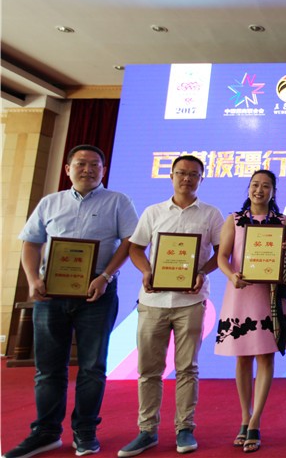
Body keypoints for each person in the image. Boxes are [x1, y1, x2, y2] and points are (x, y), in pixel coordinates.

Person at [3, 145, 138, 458]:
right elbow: (31, 243)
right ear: (67, 169)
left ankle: (85, 431)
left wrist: (105, 276)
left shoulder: (118, 201)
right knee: (49, 368)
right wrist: (33, 280)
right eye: (81, 164)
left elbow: (130, 241)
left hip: (97, 293)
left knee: (92, 367)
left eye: (94, 165)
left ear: (104, 170)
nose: (87, 169)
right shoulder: (50, 202)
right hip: (51, 294)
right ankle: (46, 432)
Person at [118, 155, 225, 457]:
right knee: (148, 369)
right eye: (181, 173)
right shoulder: (153, 212)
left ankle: (185, 428)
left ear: (202, 178)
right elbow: (136, 248)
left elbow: (222, 253)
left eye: (193, 174)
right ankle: (147, 430)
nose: (186, 178)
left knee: (187, 368)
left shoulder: (211, 214)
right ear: (171, 176)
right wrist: (146, 271)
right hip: (153, 301)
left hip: (191, 302)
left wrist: (201, 272)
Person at [215, 170, 286, 453]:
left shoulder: (282, 222)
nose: (259, 190)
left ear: (274, 191)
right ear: (248, 188)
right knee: (243, 357)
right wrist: (231, 276)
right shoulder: (234, 219)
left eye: (266, 186)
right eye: (255, 185)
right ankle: (244, 416)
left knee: (266, 356)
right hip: (240, 294)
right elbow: (222, 257)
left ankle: (255, 421)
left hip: (269, 296)